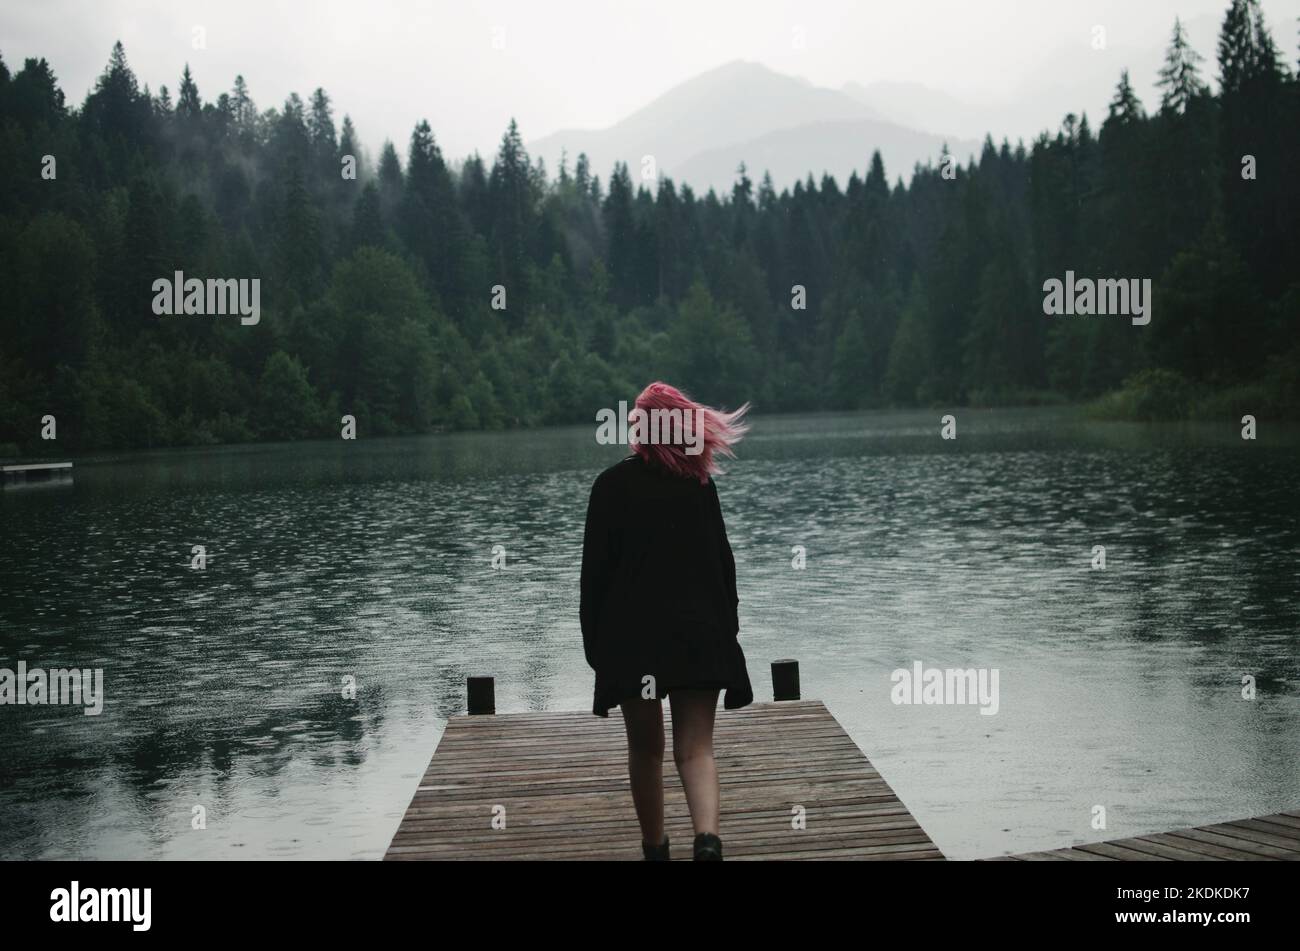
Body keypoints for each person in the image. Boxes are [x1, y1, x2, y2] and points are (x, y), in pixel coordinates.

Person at [580, 381, 753, 861]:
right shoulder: (699, 487)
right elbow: (724, 568)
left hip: (633, 647)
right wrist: (727, 635)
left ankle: (656, 850)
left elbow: (593, 579)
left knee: (647, 750)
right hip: (700, 638)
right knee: (696, 749)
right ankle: (708, 842)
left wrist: (598, 651)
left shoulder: (611, 487)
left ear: (642, 427)